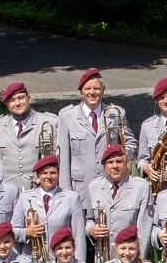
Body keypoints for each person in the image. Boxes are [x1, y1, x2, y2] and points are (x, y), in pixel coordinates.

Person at [58, 68, 135, 199]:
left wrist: (121, 157)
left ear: (103, 90)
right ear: (81, 92)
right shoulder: (67, 116)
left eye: (97, 89)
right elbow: (63, 158)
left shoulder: (115, 113)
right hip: (80, 190)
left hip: (111, 184)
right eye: (88, 89)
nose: (92, 92)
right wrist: (66, 193)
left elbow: (131, 143)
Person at [0, 81, 63, 192]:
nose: (17, 103)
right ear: (7, 105)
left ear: (29, 99)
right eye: (12, 100)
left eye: (20, 98)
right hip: (4, 190)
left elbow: (58, 158)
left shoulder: (49, 122)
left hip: (38, 188)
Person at [12, 155, 85, 263]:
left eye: (53, 173)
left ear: (58, 174)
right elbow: (13, 231)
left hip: (60, 261)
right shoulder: (25, 197)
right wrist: (27, 232)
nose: (49, 176)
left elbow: (78, 237)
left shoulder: (72, 198)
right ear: (38, 176)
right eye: (44, 173)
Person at [86, 144, 152, 263]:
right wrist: (91, 230)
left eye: (119, 161)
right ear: (104, 166)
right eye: (110, 162)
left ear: (127, 164)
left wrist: (139, 260)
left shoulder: (142, 187)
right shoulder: (94, 187)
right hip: (102, 260)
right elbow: (89, 219)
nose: (115, 166)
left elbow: (144, 231)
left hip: (130, 260)